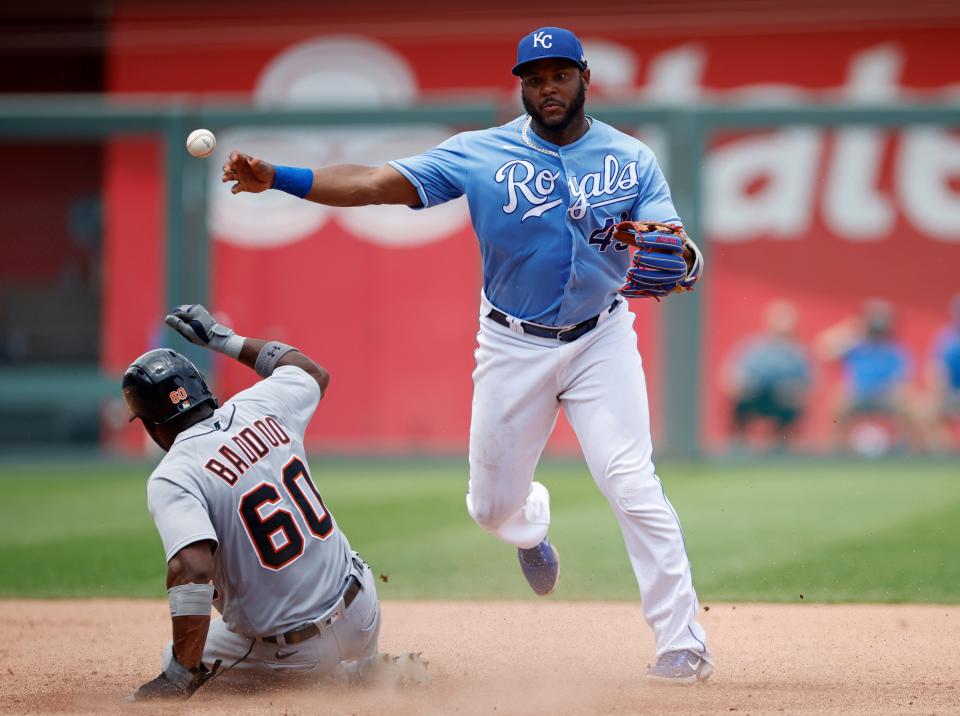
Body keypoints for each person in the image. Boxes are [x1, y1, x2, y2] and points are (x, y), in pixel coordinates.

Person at [221, 27, 711, 684]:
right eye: (534, 78)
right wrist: (279, 177)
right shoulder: (481, 153)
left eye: (559, 75)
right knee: (489, 507)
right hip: (512, 343)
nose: (547, 88)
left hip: (602, 337)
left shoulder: (632, 159)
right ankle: (530, 526)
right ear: (521, 86)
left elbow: (672, 243)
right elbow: (372, 182)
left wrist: (680, 256)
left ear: (584, 77)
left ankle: (684, 646)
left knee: (632, 482)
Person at [123, 304, 425, 700]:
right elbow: (311, 371)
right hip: (363, 611)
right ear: (202, 388)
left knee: (174, 658)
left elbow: (193, 568)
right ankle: (360, 668)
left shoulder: (174, 473)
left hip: (295, 654)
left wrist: (181, 673)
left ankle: (339, 680)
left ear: (150, 425)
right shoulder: (261, 404)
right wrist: (221, 339)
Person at [816, 298, 917, 451]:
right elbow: (823, 351)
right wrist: (851, 328)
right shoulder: (854, 344)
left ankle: (907, 450)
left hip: (887, 395)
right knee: (837, 402)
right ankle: (835, 450)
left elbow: (903, 379)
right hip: (858, 394)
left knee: (913, 405)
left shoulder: (895, 349)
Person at [722, 300, 811, 451]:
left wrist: (795, 391)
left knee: (791, 407)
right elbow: (730, 375)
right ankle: (738, 446)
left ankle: (781, 448)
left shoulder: (798, 353)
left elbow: (809, 384)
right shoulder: (753, 348)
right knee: (740, 405)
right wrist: (742, 384)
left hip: (783, 401)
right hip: (754, 397)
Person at [924, 294, 960, 451]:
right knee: (926, 410)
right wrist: (939, 392)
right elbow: (934, 369)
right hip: (951, 393)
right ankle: (946, 453)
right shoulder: (946, 338)